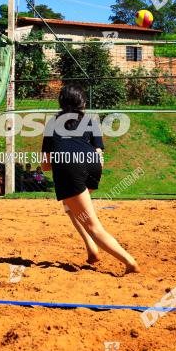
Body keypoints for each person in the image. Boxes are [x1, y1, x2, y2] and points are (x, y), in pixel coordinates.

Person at [41, 84, 140, 274]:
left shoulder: (52, 123)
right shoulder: (90, 121)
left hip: (70, 168)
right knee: (72, 208)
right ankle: (91, 248)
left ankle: (129, 262)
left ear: (61, 103)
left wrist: (63, 165)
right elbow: (99, 153)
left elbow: (45, 165)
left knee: (92, 225)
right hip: (93, 166)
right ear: (82, 103)